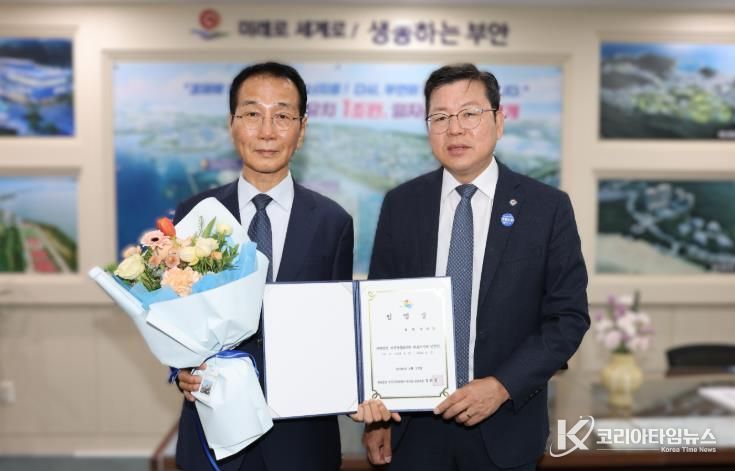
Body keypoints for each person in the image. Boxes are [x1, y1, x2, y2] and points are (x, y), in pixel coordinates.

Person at [363, 63, 590, 471]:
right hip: (413, 431)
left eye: (469, 113)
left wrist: (502, 386)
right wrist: (377, 416)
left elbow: (568, 318)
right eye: (440, 117)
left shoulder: (546, 208)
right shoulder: (402, 205)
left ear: (499, 121)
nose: (455, 129)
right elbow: (377, 313)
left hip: (505, 426)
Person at [173, 62, 362, 471]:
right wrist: (181, 368)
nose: (267, 131)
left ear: (302, 129)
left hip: (302, 438)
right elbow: (176, 312)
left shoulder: (333, 223)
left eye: (282, 116)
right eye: (252, 114)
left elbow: (337, 330)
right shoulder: (197, 213)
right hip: (214, 430)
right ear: (232, 124)